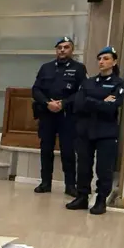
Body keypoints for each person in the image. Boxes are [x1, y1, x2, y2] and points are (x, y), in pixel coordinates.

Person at [66, 47, 124, 215]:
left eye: (106, 58)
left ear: (114, 62)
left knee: (104, 168)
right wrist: (101, 100)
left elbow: (111, 107)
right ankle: (82, 197)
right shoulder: (88, 82)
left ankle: (101, 200)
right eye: (99, 59)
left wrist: (90, 100)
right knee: (83, 166)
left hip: (106, 132)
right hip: (85, 130)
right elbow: (79, 104)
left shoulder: (118, 83)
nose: (101, 62)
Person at [31, 36, 87, 196]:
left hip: (67, 116)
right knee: (45, 149)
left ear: (72, 50)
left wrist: (63, 103)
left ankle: (70, 185)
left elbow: (82, 92)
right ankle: (45, 183)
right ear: (56, 50)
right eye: (59, 47)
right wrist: (47, 103)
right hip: (47, 114)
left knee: (68, 151)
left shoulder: (79, 68)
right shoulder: (46, 67)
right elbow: (36, 89)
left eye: (66, 47)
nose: (62, 50)